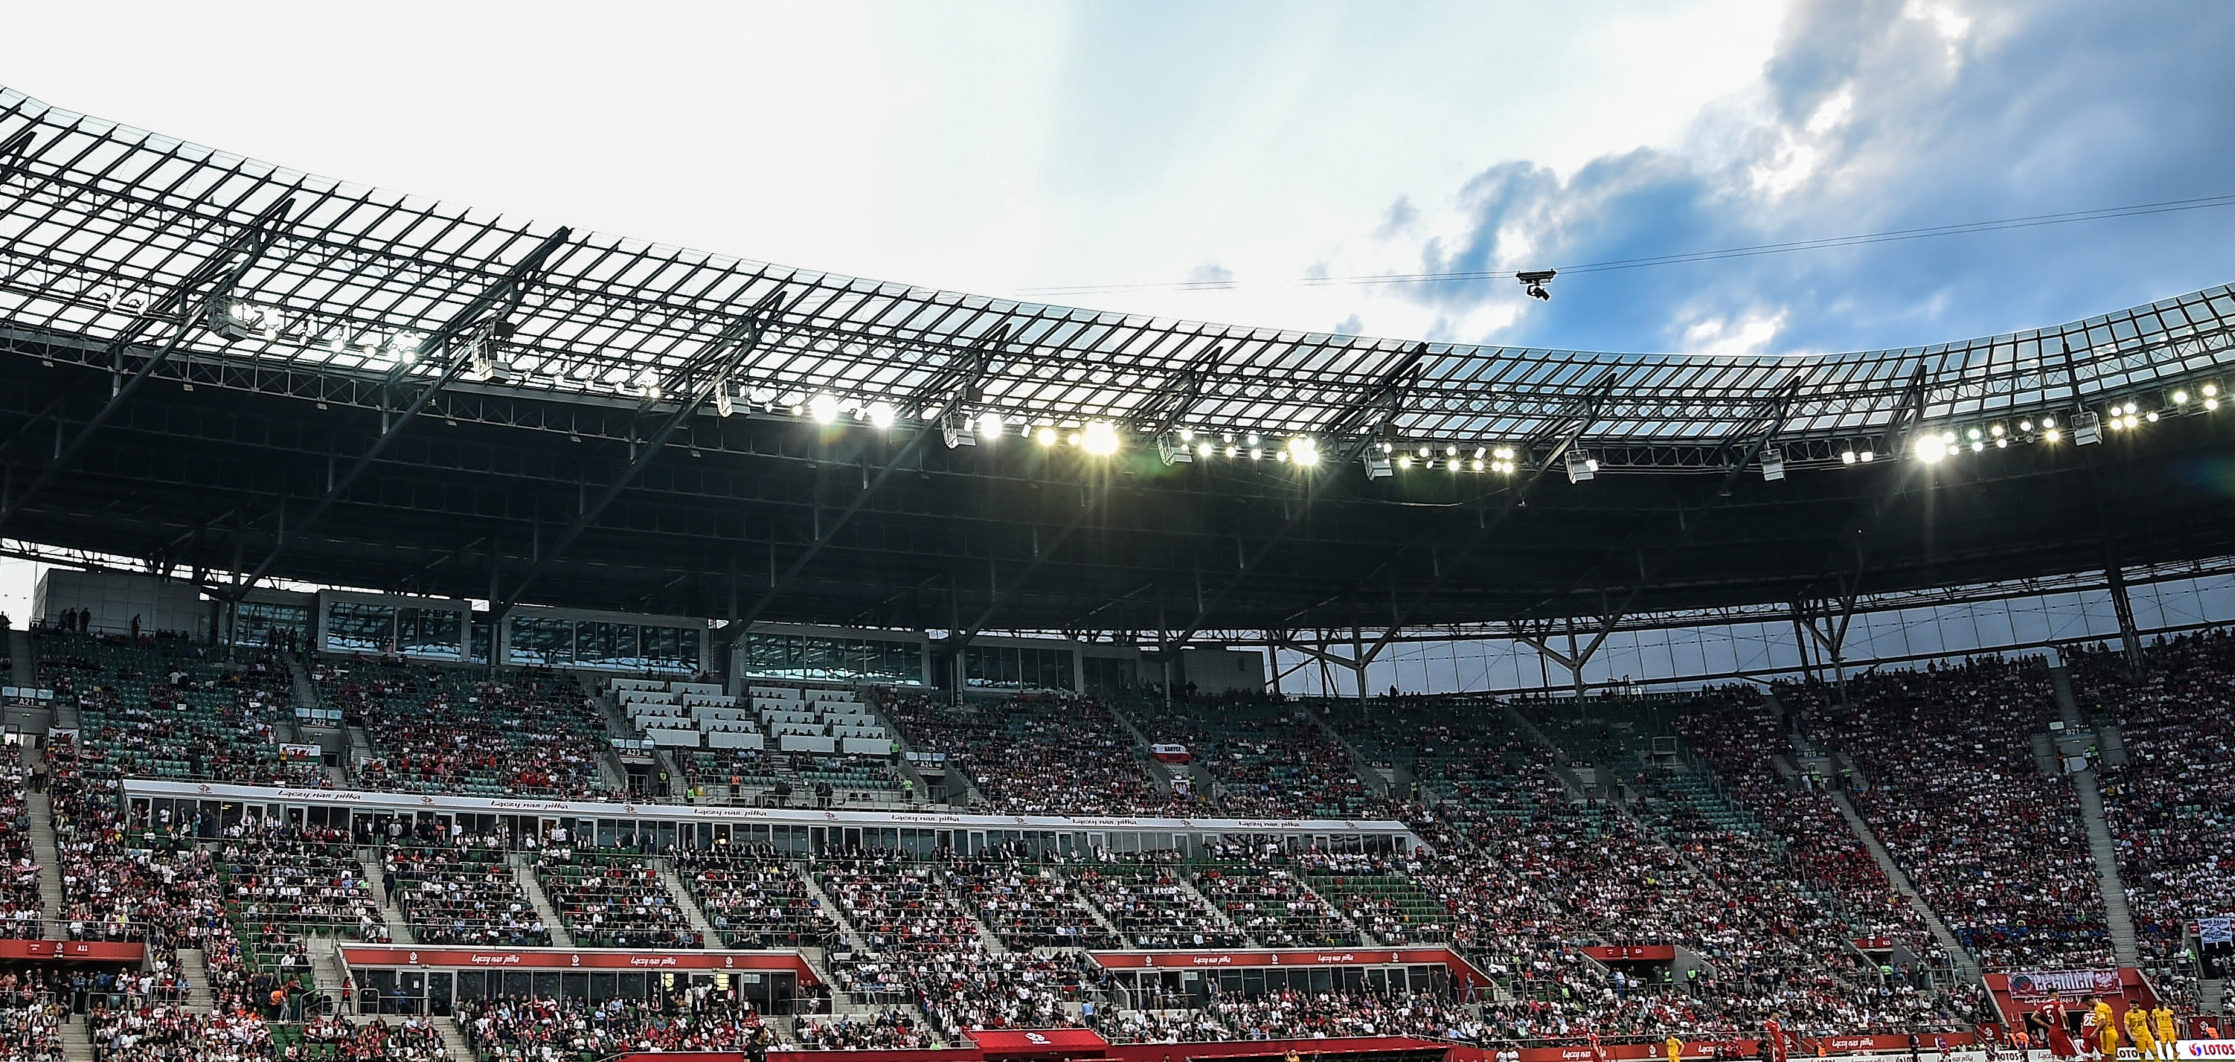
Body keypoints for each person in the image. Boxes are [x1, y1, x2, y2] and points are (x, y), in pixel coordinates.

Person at [2040, 993, 2077, 1061]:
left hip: (2051, 1031)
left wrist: (2047, 1025)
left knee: (2059, 1055)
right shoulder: (2058, 1004)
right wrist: (2068, 1026)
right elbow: (2064, 1015)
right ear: (2055, 995)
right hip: (2060, 1030)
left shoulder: (2043, 1005)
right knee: (2074, 1053)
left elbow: (2033, 1017)